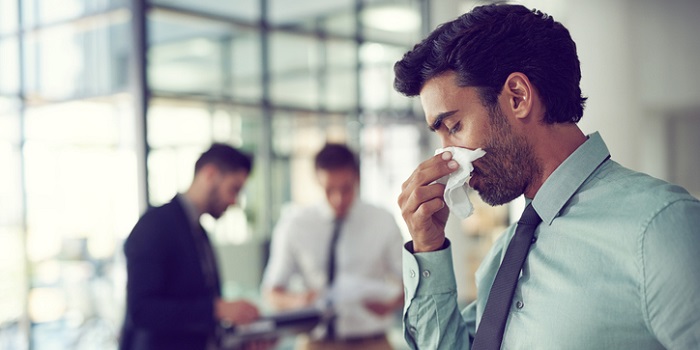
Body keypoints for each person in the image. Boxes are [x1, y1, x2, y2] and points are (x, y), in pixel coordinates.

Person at [394, 3, 700, 350]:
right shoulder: (505, 254)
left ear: (518, 97)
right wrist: (428, 247)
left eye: (454, 127)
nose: (446, 156)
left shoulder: (661, 228)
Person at [120, 143, 264, 350]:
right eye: (234, 189)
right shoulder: (155, 225)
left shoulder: (198, 232)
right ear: (210, 174)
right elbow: (141, 311)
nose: (234, 201)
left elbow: (195, 315)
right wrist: (216, 310)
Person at [261, 143, 404, 350]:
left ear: (357, 178)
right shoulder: (294, 225)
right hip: (315, 342)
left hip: (373, 342)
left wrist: (392, 303)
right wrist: (300, 302)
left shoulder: (383, 221)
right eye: (329, 190)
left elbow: (410, 282)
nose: (338, 199)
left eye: (346, 189)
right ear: (317, 180)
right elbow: (272, 291)